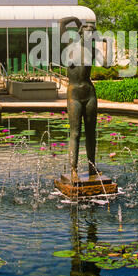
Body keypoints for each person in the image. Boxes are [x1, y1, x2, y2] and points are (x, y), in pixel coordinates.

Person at [59, 16, 98, 180]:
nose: (89, 37)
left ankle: (92, 168)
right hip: (74, 93)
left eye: (92, 35)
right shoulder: (69, 47)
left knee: (91, 132)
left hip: (89, 93)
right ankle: (73, 169)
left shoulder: (93, 51)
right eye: (87, 33)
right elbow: (61, 23)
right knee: (75, 133)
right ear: (81, 33)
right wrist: (75, 19)